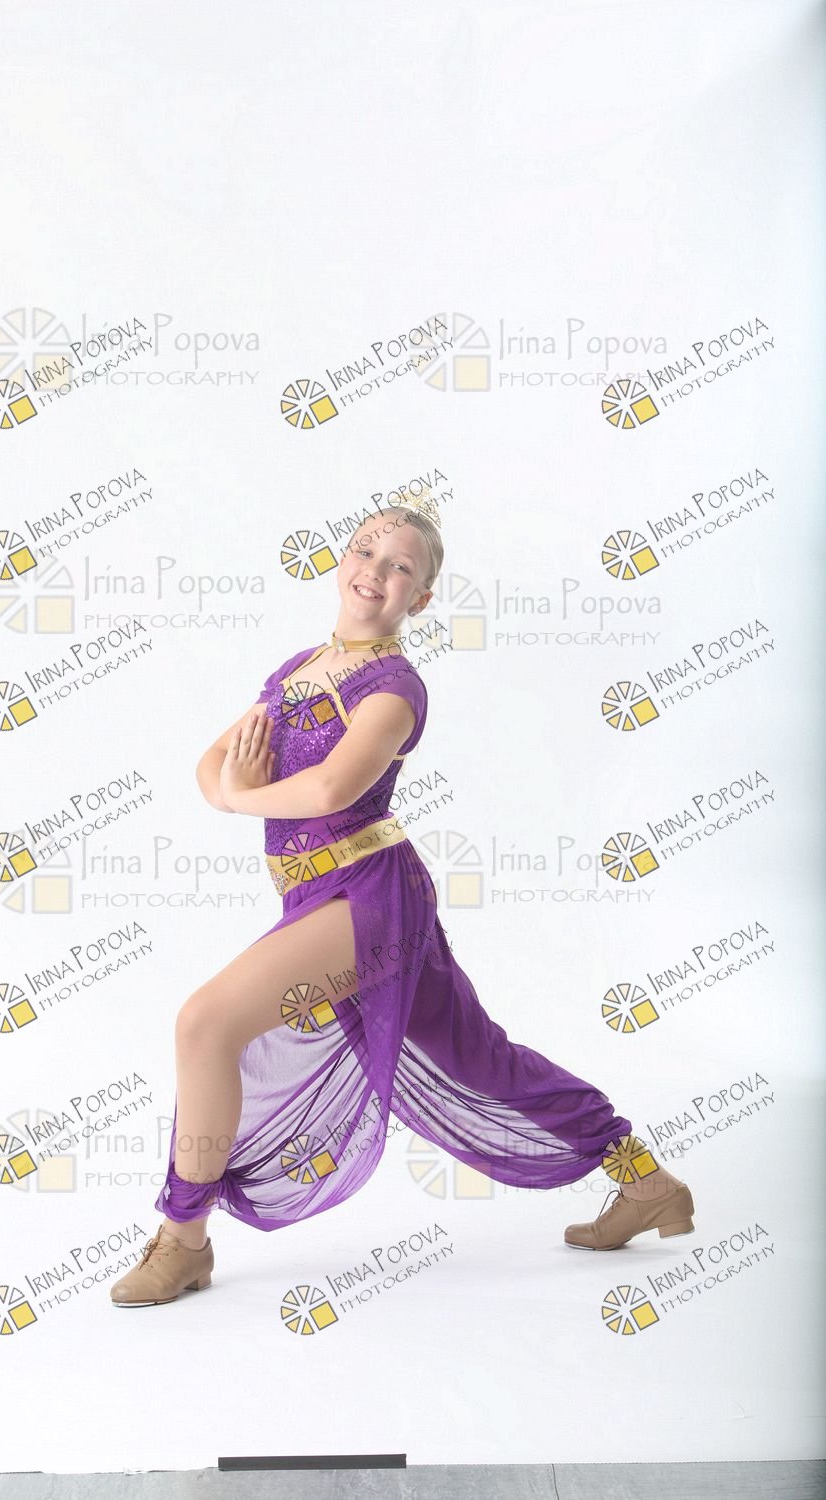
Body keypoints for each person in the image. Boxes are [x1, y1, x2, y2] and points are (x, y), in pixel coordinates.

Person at [110, 497, 696, 1307]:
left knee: (204, 1023)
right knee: (479, 1058)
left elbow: (329, 790)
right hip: (313, 895)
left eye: (400, 567)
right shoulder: (296, 668)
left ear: (418, 598)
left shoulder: (394, 689)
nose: (375, 571)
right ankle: (646, 1180)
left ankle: (183, 1242)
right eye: (364, 551)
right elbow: (212, 762)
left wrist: (239, 796)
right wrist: (229, 788)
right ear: (339, 562)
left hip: (369, 896)